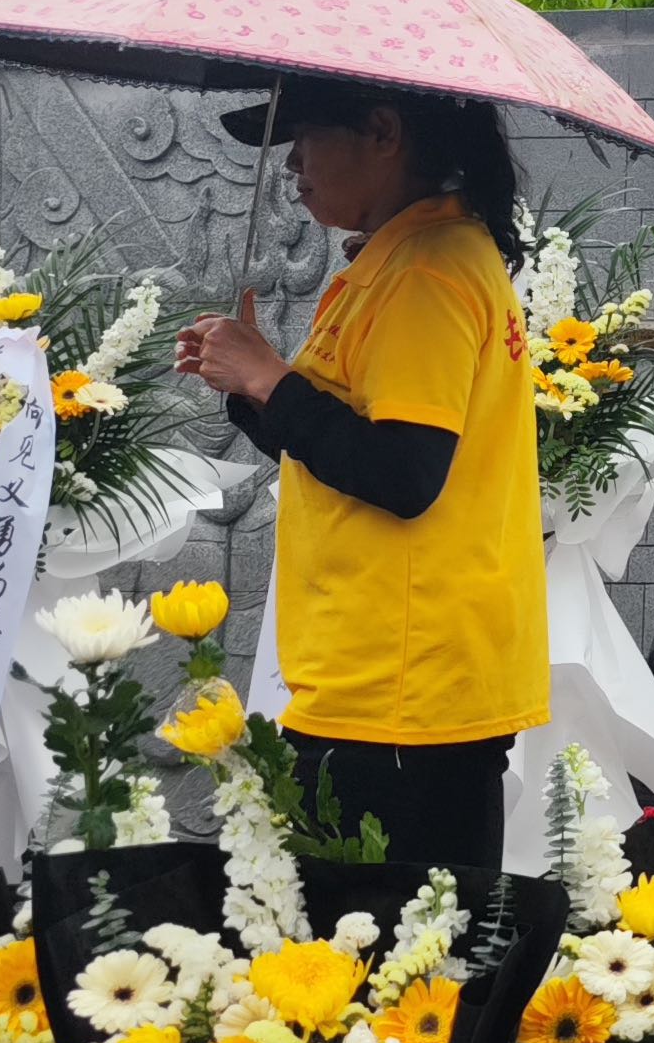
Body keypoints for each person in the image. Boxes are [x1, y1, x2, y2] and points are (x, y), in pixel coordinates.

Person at [174, 79, 549, 876]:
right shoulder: (408, 259)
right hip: (393, 680)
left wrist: (274, 381)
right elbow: (344, 450)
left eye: (306, 135)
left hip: (402, 692)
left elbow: (404, 473)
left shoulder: (426, 273)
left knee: (384, 940)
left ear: (383, 131)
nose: (292, 165)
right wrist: (251, 387)